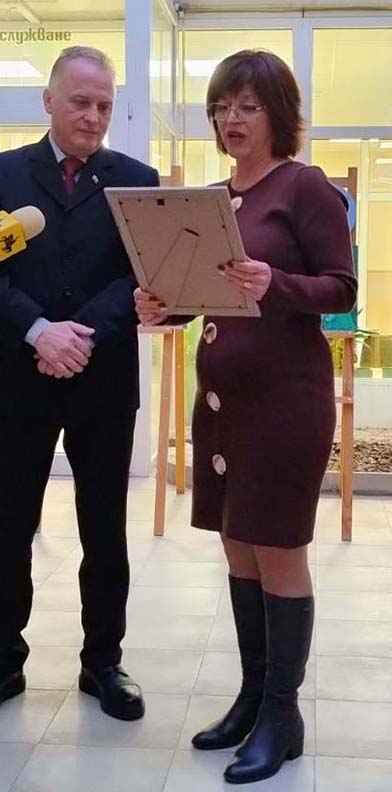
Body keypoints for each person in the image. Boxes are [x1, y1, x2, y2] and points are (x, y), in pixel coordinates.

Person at [135, 50, 356, 785]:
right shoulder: (212, 199)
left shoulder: (306, 187)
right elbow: (204, 295)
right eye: (222, 105)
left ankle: (282, 716)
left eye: (248, 106)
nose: (232, 118)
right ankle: (254, 698)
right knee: (237, 548)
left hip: (285, 405)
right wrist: (165, 305)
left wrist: (277, 282)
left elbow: (340, 288)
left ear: (278, 114)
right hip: (223, 406)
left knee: (277, 550)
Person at [0, 45, 159, 730]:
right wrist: (40, 332)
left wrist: (80, 335)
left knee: (105, 530)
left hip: (102, 380)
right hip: (22, 378)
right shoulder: (2, 173)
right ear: (49, 101)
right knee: (11, 526)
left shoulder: (136, 181)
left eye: (104, 105)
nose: (93, 116)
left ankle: (103, 662)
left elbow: (139, 276)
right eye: (80, 102)